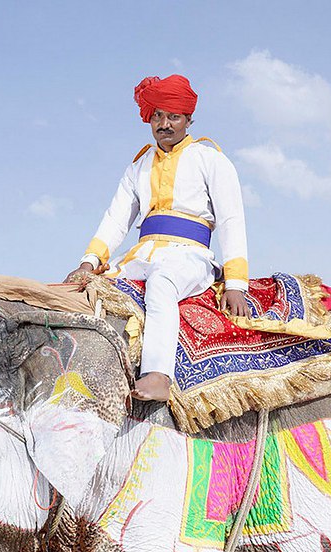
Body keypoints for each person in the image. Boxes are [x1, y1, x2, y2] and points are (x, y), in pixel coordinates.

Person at [65, 74, 250, 402]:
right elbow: (116, 219)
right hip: (142, 255)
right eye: (157, 116)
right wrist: (88, 262)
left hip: (190, 256)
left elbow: (232, 220)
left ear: (189, 119)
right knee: (89, 288)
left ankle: (158, 374)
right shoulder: (138, 167)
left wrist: (236, 284)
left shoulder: (211, 160)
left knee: (163, 283)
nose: (164, 124)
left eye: (173, 116)